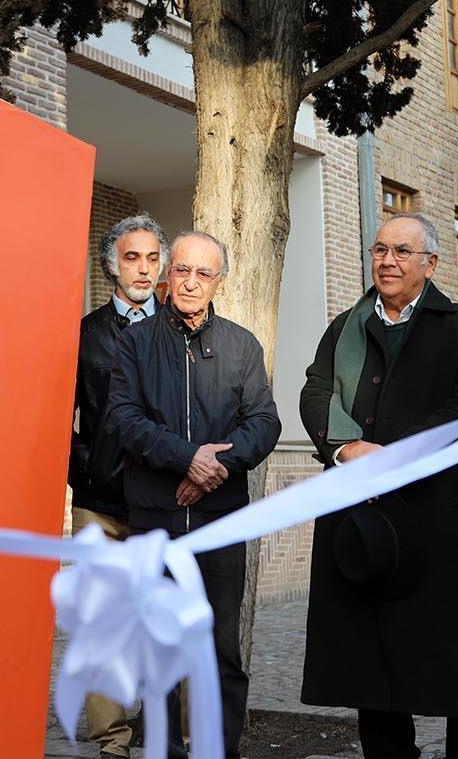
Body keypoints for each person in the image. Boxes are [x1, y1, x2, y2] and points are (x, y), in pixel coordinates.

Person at [298, 213, 458, 759]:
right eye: (380, 249)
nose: (387, 261)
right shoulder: (345, 327)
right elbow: (317, 391)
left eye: (402, 252)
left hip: (437, 519)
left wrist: (395, 455)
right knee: (372, 660)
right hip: (361, 514)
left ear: (430, 264)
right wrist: (347, 448)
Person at [105, 231, 281, 759]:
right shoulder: (134, 343)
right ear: (167, 273)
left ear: (218, 281)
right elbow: (123, 419)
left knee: (221, 649)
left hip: (220, 521)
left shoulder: (241, 345)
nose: (190, 282)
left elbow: (264, 422)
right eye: (182, 270)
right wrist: (185, 458)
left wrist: (214, 466)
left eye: (203, 273)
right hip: (155, 520)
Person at [68, 214, 168, 759]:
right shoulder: (85, 334)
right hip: (100, 504)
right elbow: (64, 414)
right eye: (133, 257)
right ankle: (111, 742)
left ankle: (161, 736)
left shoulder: (178, 329)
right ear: (111, 265)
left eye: (154, 258)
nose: (144, 269)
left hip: (164, 503)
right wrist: (83, 468)